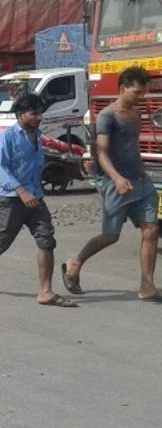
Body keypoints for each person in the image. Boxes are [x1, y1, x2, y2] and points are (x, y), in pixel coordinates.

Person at [0, 93, 77, 307]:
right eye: (34, 113)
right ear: (20, 114)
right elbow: (2, 169)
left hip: (35, 198)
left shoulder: (38, 136)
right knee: (2, 240)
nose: (39, 117)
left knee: (46, 240)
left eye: (40, 113)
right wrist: (21, 191)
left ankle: (45, 291)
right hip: (12, 199)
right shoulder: (6, 137)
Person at [62, 66, 160, 301]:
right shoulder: (107, 116)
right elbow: (102, 152)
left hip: (140, 181)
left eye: (143, 93)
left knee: (151, 229)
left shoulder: (136, 114)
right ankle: (75, 262)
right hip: (115, 183)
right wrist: (116, 178)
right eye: (137, 92)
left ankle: (147, 285)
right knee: (110, 236)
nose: (141, 97)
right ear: (123, 88)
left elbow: (132, 147)